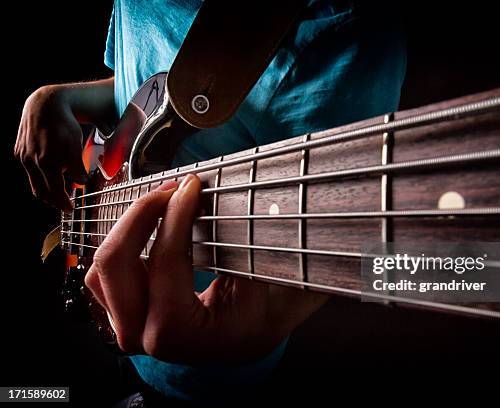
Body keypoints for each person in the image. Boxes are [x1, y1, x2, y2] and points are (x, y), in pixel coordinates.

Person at [14, 0, 406, 404]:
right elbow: (140, 83)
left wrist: (266, 324)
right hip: (116, 310)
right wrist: (55, 98)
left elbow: (347, 231)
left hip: (198, 364)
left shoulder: (350, 32)